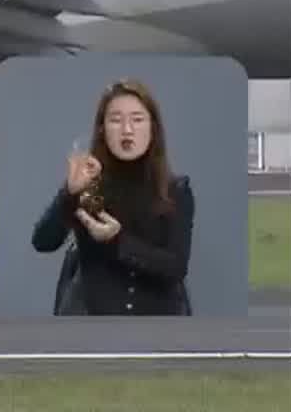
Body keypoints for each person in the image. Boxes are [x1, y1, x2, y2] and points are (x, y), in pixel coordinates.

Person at [31, 78, 194, 315]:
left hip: (157, 325)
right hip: (95, 324)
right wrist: (68, 193)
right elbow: (43, 242)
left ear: (153, 129)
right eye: (116, 120)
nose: (127, 130)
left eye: (137, 120)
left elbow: (175, 267)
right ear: (102, 129)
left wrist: (117, 241)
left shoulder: (176, 190)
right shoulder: (89, 183)